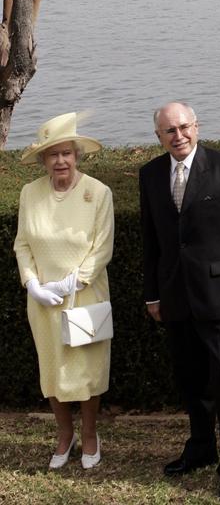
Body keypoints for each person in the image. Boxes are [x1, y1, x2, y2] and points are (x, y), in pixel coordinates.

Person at [139, 102, 220, 502]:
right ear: (158, 136)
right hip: (174, 297)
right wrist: (153, 293)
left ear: (197, 127)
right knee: (191, 380)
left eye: (184, 127)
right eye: (169, 131)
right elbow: (151, 240)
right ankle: (201, 449)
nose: (178, 136)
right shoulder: (151, 175)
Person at [14, 112, 114, 470]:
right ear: (43, 159)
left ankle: (89, 435)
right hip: (43, 301)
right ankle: (63, 435)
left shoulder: (98, 192)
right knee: (53, 370)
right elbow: (22, 244)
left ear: (77, 155)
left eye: (66, 153)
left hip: (85, 295)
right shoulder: (30, 193)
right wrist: (33, 284)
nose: (60, 161)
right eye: (52, 154)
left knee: (87, 372)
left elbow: (103, 248)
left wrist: (74, 281)